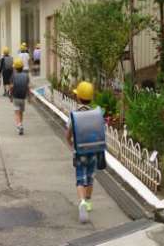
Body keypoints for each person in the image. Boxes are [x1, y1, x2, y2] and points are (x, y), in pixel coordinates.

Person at [66, 81, 97, 223]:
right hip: (93, 151)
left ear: (78, 98)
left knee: (80, 178)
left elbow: (69, 133)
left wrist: (70, 142)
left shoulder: (74, 114)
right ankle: (88, 202)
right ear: (91, 98)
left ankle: (82, 202)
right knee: (90, 177)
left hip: (80, 152)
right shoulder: (96, 114)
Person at [9, 58, 31, 135]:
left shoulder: (13, 76)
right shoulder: (26, 76)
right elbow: (28, 87)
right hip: (23, 97)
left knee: (17, 112)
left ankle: (19, 125)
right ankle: (21, 124)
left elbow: (11, 87)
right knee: (21, 112)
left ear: (15, 68)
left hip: (16, 97)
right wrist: (29, 97)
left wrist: (10, 96)